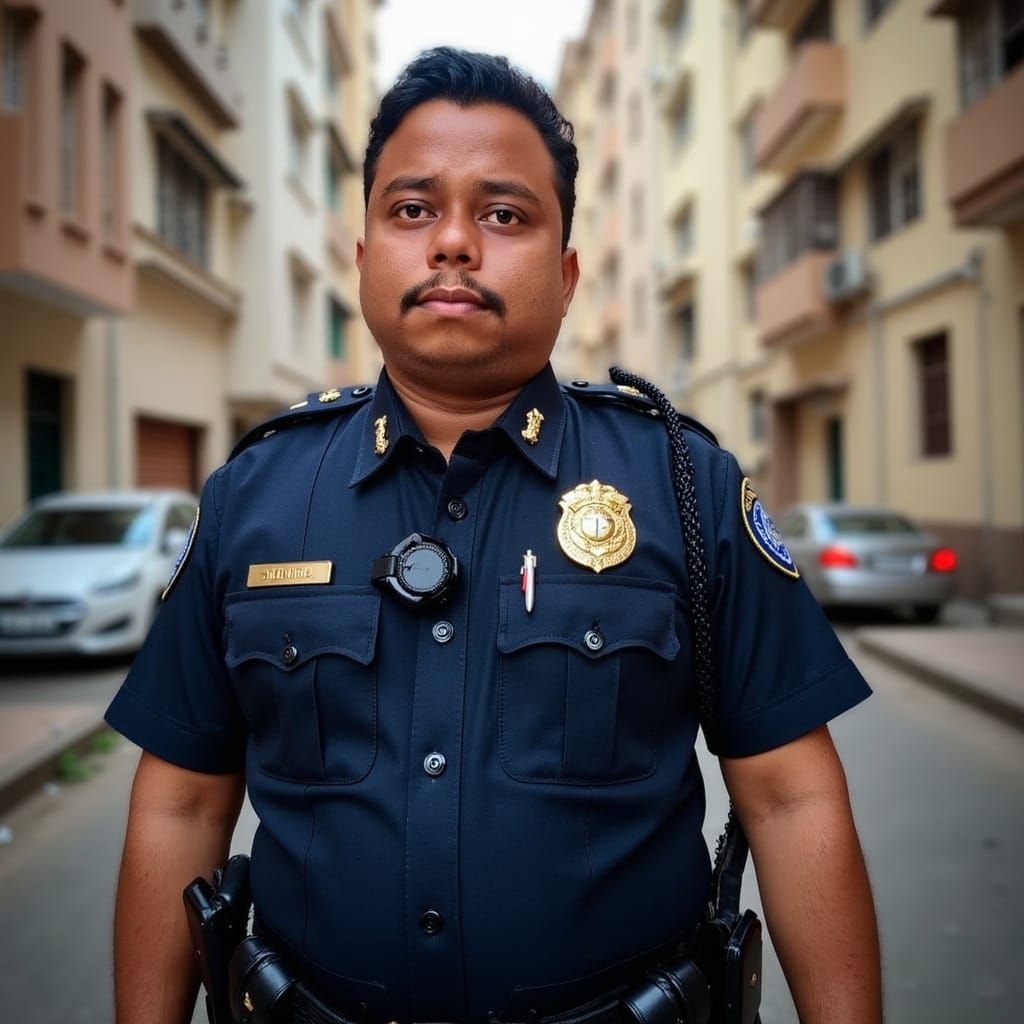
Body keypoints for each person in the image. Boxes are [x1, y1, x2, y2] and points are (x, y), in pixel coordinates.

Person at [106, 48, 882, 1024]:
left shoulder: (684, 486)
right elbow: (179, 803)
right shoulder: (254, 496)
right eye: (412, 209)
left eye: (504, 213)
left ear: (564, 276)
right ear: (362, 260)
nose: (455, 243)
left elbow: (790, 799)